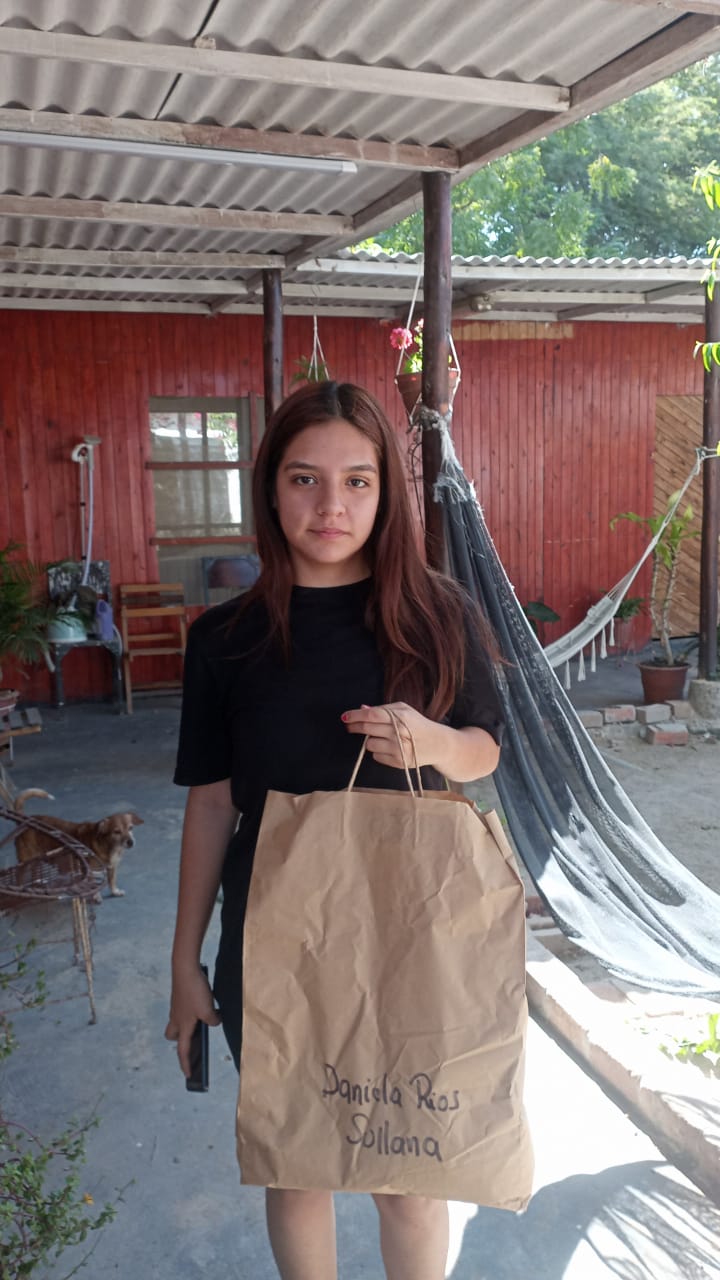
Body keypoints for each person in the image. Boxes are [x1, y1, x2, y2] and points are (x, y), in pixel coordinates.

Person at [165, 381, 505, 1280]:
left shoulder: (437, 615)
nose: (331, 506)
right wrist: (184, 964)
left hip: (413, 933)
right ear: (270, 489)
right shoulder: (224, 639)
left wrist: (432, 743)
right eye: (304, 479)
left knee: (410, 1180)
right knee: (298, 1163)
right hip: (272, 935)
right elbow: (212, 803)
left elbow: (485, 750)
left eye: (357, 481)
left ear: (386, 491)